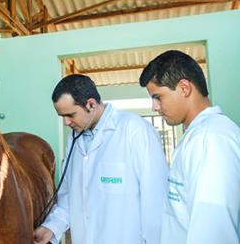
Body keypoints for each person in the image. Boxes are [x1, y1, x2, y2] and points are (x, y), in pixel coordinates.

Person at [33, 74, 168, 244]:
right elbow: (68, 196)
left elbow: (156, 202)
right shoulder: (74, 140)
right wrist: (51, 228)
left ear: (91, 104)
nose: (66, 123)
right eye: (62, 117)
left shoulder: (134, 130)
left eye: (71, 115)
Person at [139, 50, 240, 244]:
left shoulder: (211, 140)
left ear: (184, 88)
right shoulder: (198, 136)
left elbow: (213, 232)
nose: (154, 107)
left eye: (158, 97)